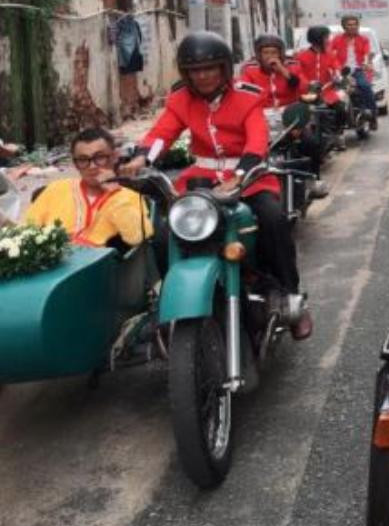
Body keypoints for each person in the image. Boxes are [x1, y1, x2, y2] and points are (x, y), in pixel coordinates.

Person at [120, 32, 312, 340]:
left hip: (250, 179)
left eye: (211, 68)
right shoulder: (180, 99)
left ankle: (292, 298)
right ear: (186, 73)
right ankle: (171, 298)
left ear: (224, 69)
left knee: (273, 219)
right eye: (196, 70)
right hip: (201, 181)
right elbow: (161, 134)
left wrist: (241, 173)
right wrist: (142, 159)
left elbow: (257, 140)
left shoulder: (248, 95)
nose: (204, 76)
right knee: (165, 230)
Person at [25, 127, 152, 248]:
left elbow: (139, 237)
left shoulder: (129, 196)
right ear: (75, 164)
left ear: (114, 157)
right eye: (83, 160)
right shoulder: (56, 189)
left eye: (100, 157)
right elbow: (25, 231)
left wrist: (115, 193)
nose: (92, 166)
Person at [242, 33, 330, 199]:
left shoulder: (293, 65)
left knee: (311, 143)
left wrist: (283, 71)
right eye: (265, 53)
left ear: (281, 53)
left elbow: (303, 88)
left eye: (274, 52)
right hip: (261, 117)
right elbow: (243, 94)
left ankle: (313, 181)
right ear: (258, 54)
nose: (270, 57)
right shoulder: (249, 70)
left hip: (290, 115)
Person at [330, 15, 378, 131]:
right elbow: (331, 54)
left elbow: (367, 54)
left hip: (357, 70)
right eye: (349, 25)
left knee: (365, 87)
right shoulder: (337, 39)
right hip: (341, 71)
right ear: (344, 26)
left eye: (354, 24)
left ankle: (373, 117)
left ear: (358, 26)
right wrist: (335, 68)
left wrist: (366, 63)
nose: (352, 27)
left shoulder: (364, 40)